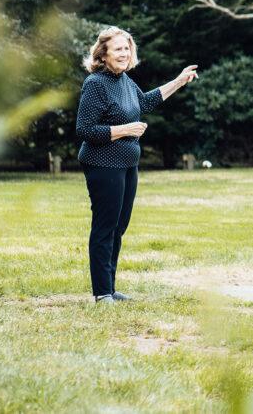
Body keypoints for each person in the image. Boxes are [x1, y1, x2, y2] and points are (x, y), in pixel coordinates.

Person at [75, 26, 198, 304]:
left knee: (119, 226)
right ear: (103, 54)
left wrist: (179, 81)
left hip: (127, 164)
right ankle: (102, 292)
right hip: (103, 164)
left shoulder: (125, 81)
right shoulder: (95, 84)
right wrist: (124, 130)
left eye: (127, 48)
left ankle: (110, 287)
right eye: (118, 48)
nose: (124, 53)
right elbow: (84, 130)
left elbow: (145, 101)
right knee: (105, 227)